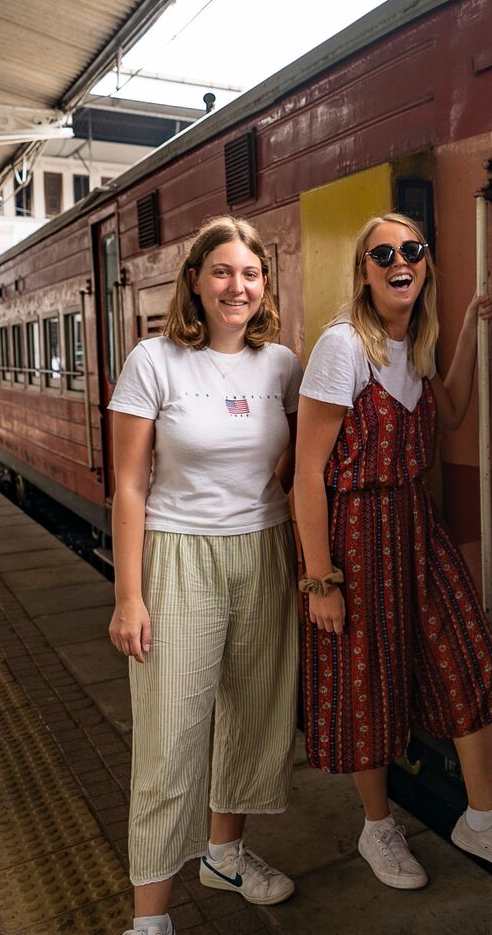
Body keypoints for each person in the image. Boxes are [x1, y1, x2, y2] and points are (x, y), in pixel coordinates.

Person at [293, 213, 492, 890]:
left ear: (426, 263)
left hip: (414, 519)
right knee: (366, 683)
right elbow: (306, 474)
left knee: (467, 656)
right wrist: (321, 580)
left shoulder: (420, 340)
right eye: (382, 254)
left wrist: (470, 326)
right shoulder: (343, 347)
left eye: (411, 249)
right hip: (354, 529)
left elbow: (456, 408)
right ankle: (378, 828)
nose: (397, 260)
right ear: (363, 271)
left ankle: (484, 821)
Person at [108, 217, 305, 935]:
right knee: (169, 740)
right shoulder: (152, 362)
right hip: (177, 556)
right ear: (193, 280)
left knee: (254, 717)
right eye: (222, 271)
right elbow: (129, 485)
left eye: (250, 273)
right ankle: (150, 919)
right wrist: (129, 595)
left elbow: (292, 460)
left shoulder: (281, 364)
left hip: (263, 553)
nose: (237, 286)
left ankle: (226, 853)